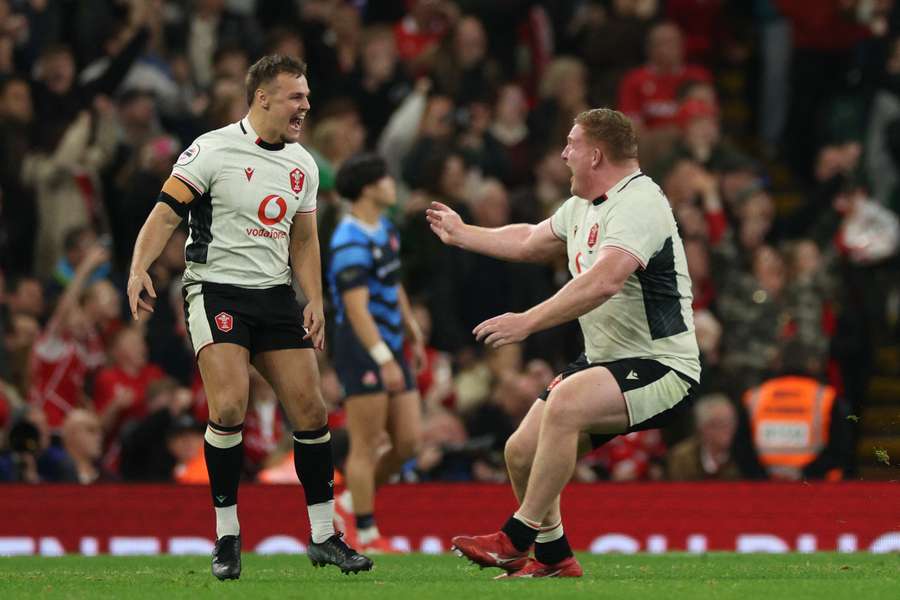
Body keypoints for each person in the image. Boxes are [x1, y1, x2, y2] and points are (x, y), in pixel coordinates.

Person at [126, 54, 371, 581]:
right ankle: (227, 534)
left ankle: (325, 535)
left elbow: (304, 238)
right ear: (263, 97)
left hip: (274, 294)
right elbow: (166, 213)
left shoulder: (302, 164)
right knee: (231, 404)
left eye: (306, 97)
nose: (305, 105)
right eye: (295, 97)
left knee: (311, 409)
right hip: (215, 291)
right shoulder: (210, 150)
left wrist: (315, 299)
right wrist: (137, 269)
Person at [427, 108, 700, 577]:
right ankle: (554, 558)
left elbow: (604, 282)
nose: (563, 153)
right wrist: (464, 234)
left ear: (595, 154)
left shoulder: (640, 201)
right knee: (519, 452)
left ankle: (516, 537)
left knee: (566, 404)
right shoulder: (582, 206)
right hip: (603, 363)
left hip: (662, 364)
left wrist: (527, 322)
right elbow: (531, 239)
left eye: (571, 144)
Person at [327, 153, 424, 553]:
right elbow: (355, 309)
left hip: (390, 341)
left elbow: (392, 282)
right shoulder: (348, 240)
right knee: (366, 443)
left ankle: (348, 501)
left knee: (408, 443)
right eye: (385, 179)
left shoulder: (384, 228)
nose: (392, 185)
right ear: (368, 187)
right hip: (361, 346)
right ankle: (364, 533)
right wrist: (382, 357)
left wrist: (411, 328)